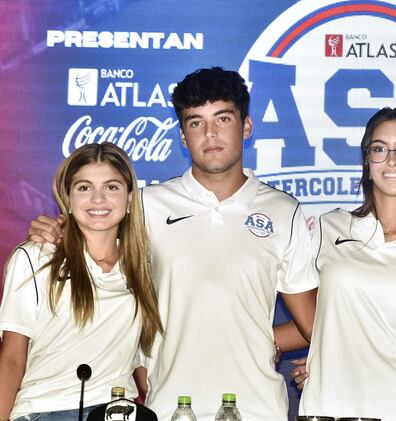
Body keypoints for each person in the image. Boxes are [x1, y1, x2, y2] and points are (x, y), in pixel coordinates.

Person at [27, 67, 318, 419]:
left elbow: (311, 323)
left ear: (246, 127)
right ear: (182, 136)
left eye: (222, 118)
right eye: (196, 122)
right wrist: (56, 232)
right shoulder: (147, 205)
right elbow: (91, 244)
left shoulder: (284, 211)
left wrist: (260, 339)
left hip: (256, 407)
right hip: (168, 405)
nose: (210, 133)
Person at [294, 107, 396, 421]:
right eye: (379, 149)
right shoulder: (330, 228)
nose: (392, 160)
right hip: (327, 409)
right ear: (367, 163)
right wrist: (266, 344)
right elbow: (316, 315)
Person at [0, 143, 163, 420]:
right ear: (68, 198)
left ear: (130, 198)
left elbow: (144, 366)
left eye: (111, 187)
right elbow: (12, 357)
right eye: (84, 188)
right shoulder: (35, 258)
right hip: (44, 412)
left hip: (117, 412)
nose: (98, 199)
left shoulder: (143, 268)